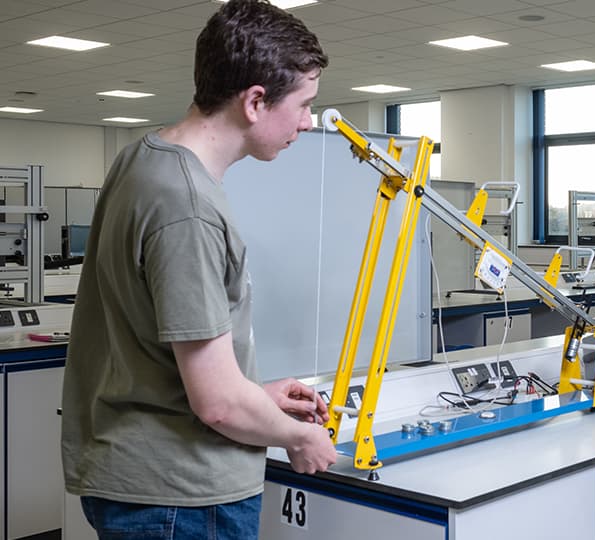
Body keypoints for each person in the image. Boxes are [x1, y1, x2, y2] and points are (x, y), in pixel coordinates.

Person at [60, 1, 336, 537]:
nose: (306, 122)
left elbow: (157, 348)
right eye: (304, 105)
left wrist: (256, 393)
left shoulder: (144, 157)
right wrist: (298, 437)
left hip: (136, 475)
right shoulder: (187, 207)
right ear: (255, 101)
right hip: (181, 497)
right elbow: (216, 404)